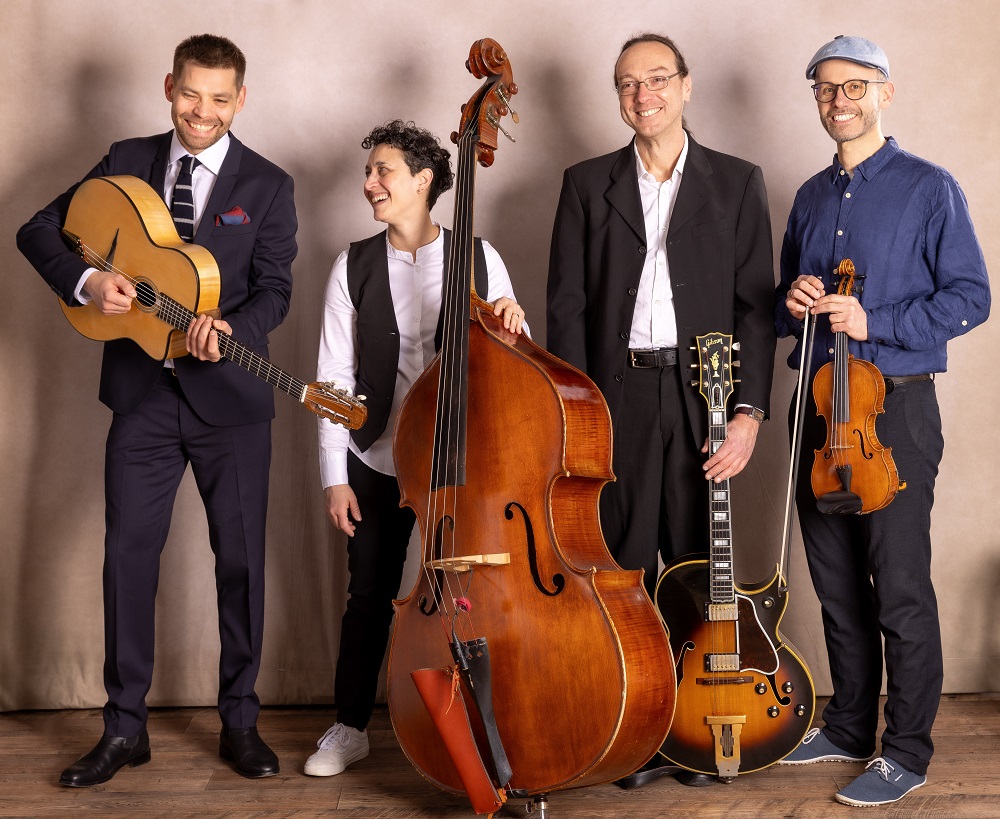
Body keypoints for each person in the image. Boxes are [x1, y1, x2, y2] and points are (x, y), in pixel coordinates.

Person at [17, 34, 297, 785]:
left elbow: (276, 289)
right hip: (141, 398)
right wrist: (86, 283)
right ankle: (124, 729)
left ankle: (240, 721)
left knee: (240, 563)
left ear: (241, 100)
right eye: (190, 93)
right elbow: (38, 229)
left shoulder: (268, 185)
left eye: (220, 98)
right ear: (169, 86)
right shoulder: (125, 160)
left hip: (231, 405)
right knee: (127, 560)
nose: (202, 111)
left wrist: (233, 327)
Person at [775, 35, 989, 807]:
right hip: (817, 409)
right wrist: (794, 300)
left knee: (898, 586)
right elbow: (782, 309)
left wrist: (878, 321)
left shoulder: (931, 188)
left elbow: (971, 296)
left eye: (854, 86)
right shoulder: (809, 196)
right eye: (826, 88)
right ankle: (847, 724)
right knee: (835, 585)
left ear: (884, 94)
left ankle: (906, 750)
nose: (839, 100)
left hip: (893, 412)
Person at [306, 120, 526, 777]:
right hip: (376, 458)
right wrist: (334, 474)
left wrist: (512, 324)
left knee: (478, 595)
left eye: (383, 171)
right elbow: (332, 380)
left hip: (461, 464)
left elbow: (512, 367)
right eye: (368, 172)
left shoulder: (480, 258)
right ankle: (349, 727)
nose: (370, 183)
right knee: (368, 593)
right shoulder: (352, 265)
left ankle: (494, 725)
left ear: (424, 180)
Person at [546, 32, 776, 603]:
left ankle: (692, 666)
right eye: (628, 84)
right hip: (614, 396)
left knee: (697, 565)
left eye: (657, 79)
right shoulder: (584, 184)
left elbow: (754, 309)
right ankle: (632, 666)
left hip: (704, 395)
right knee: (616, 564)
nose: (642, 95)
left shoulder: (738, 182)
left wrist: (748, 413)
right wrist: (578, 415)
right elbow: (566, 309)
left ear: (686, 86)